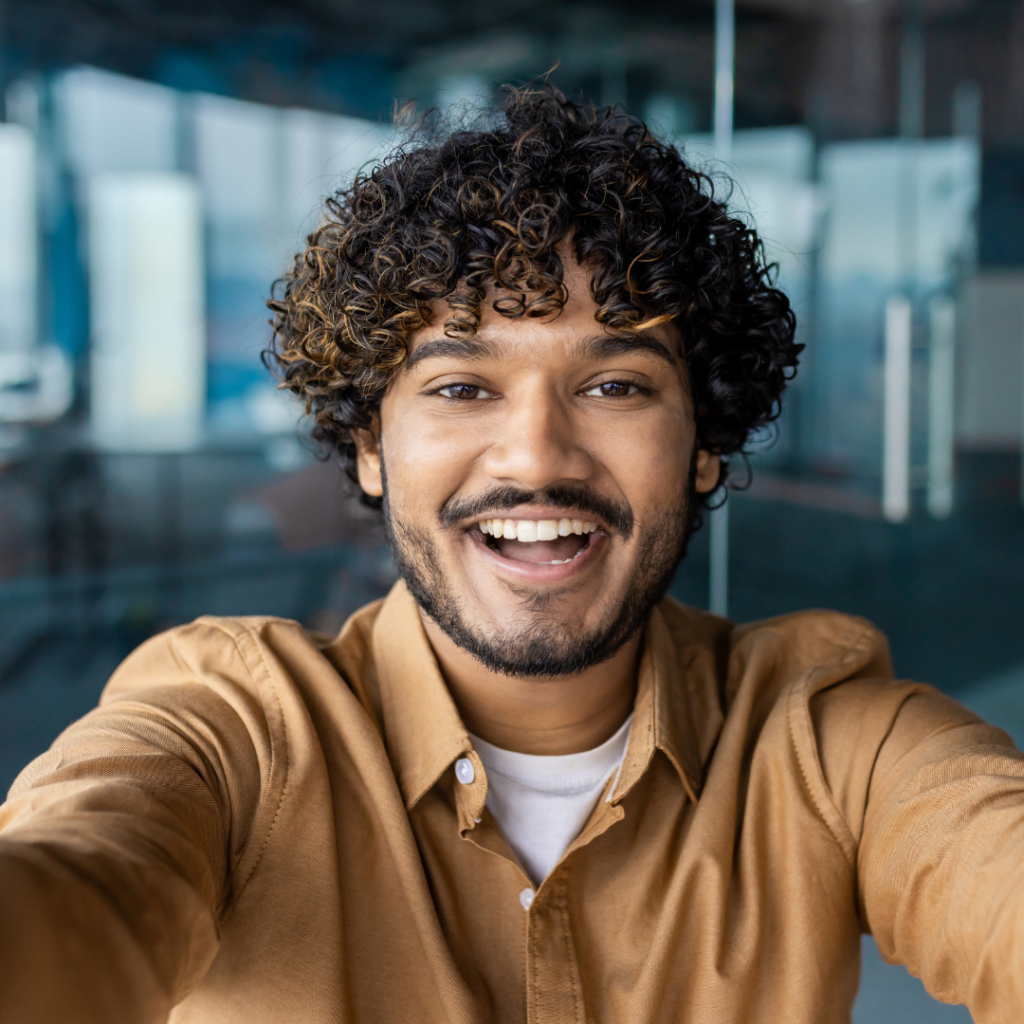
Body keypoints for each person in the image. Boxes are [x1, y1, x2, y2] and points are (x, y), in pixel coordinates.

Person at [1, 84, 1022, 1024]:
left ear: (705, 444)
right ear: (370, 446)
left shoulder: (828, 743)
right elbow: (80, 877)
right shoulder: (234, 731)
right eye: (460, 387)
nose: (535, 456)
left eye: (615, 385)